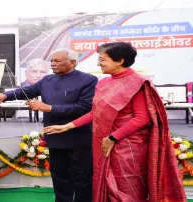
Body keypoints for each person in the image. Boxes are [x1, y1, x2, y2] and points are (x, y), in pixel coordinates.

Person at [42, 42, 187, 202]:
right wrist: (67, 126)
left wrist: (113, 138)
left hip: (128, 147)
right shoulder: (103, 83)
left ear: (120, 61)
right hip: (103, 143)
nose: (98, 63)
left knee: (128, 188)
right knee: (104, 186)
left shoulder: (138, 83)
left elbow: (141, 118)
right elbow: (96, 112)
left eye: (102, 60)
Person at [0, 49, 98, 202]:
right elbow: (25, 91)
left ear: (72, 63)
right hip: (54, 137)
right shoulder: (47, 80)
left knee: (81, 178)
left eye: (57, 61)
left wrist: (49, 108)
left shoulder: (88, 80)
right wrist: (4, 95)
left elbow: (85, 107)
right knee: (59, 178)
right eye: (51, 61)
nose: (52, 63)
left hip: (78, 138)